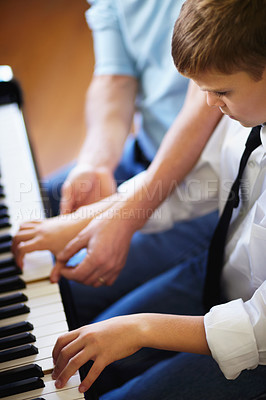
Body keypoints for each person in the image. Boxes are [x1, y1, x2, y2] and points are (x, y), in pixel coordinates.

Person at [49, 0, 266, 399]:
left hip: (257, 338)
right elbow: (201, 183)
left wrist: (142, 328)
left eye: (220, 91)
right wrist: (95, 220)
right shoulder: (245, 117)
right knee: (89, 358)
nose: (207, 106)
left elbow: (258, 326)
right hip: (220, 273)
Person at [13, 0, 222, 325]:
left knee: (54, 291)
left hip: (208, 191)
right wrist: (96, 163)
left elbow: (206, 105)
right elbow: (114, 77)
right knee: (23, 209)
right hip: (143, 152)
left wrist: (118, 216)